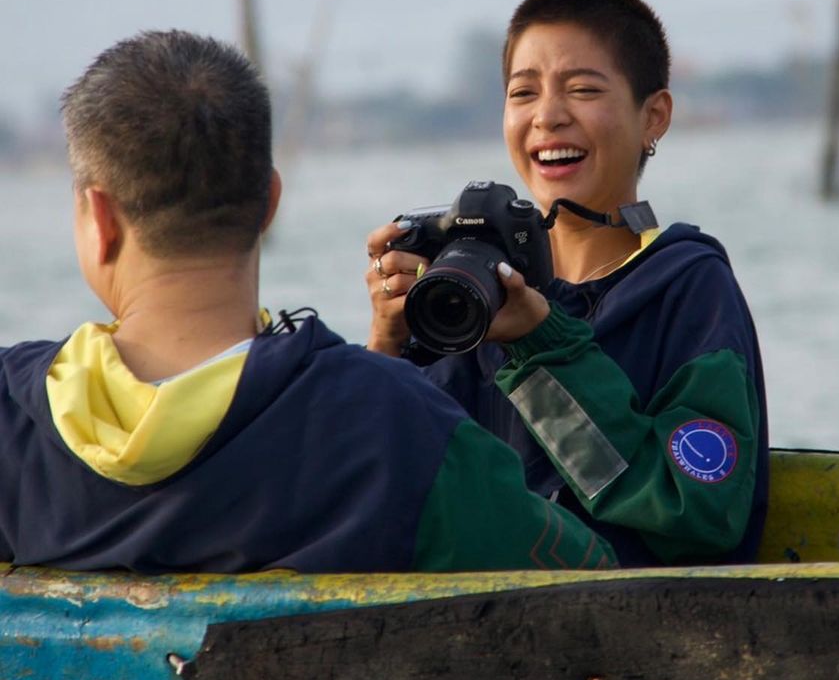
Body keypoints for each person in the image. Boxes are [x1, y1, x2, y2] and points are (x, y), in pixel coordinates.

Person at [0, 30, 615, 574]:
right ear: (270, 203)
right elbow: (593, 579)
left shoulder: (14, 415)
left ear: (99, 220)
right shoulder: (397, 425)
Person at [366, 0, 768, 565]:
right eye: (522, 93)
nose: (547, 117)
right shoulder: (467, 291)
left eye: (582, 90)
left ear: (654, 115)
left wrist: (541, 344)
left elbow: (700, 510)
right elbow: (382, 498)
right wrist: (387, 345)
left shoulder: (687, 286)